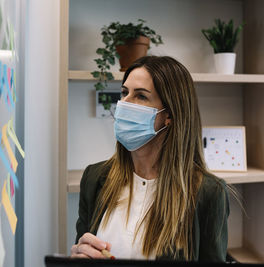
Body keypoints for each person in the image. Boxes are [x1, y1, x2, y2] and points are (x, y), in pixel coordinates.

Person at [71, 56, 229, 261]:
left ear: (169, 114)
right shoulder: (95, 178)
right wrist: (77, 257)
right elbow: (82, 249)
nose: (123, 104)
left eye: (141, 96)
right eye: (124, 93)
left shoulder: (207, 193)